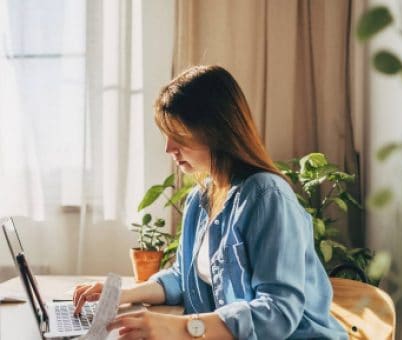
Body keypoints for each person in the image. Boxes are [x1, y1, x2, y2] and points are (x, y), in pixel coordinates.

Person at [73, 65, 348, 340]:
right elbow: (182, 278)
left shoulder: (267, 196)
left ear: (215, 130)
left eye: (178, 135)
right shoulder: (200, 200)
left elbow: (277, 313)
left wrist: (181, 328)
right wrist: (120, 295)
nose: (168, 148)